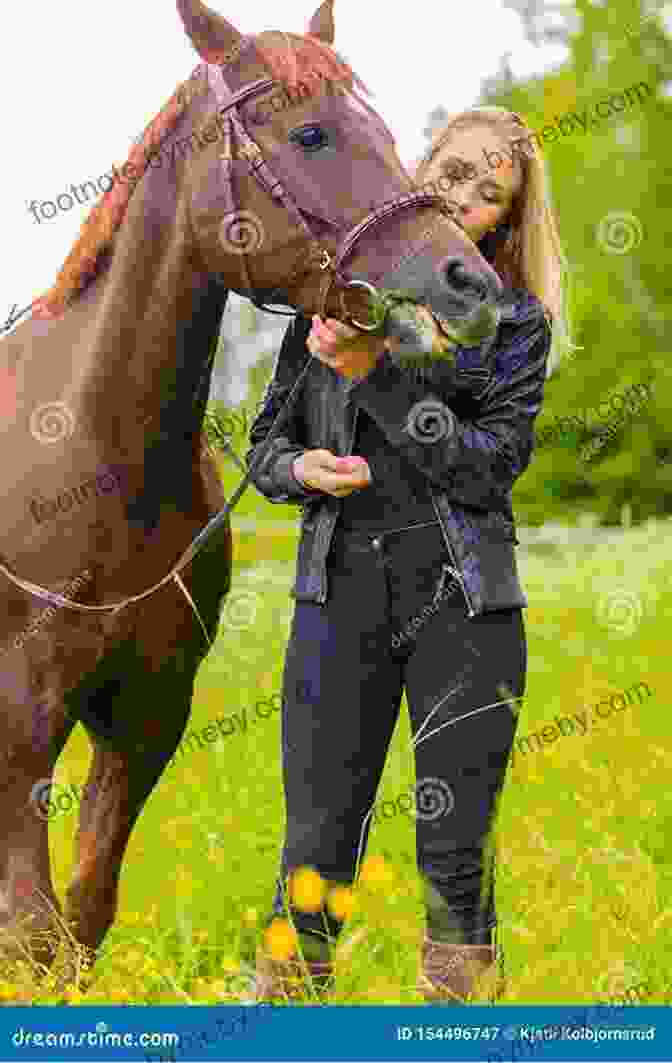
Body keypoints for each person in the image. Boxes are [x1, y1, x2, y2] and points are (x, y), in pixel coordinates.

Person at [245, 106, 571, 1003]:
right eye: (453, 169)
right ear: (418, 165)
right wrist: (297, 465)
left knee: (455, 859)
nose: (463, 195)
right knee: (313, 846)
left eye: (489, 192)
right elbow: (263, 441)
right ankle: (283, 1032)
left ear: (505, 218)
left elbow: (486, 469)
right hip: (336, 598)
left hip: (464, 612)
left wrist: (370, 375)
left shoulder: (514, 324)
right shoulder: (329, 295)